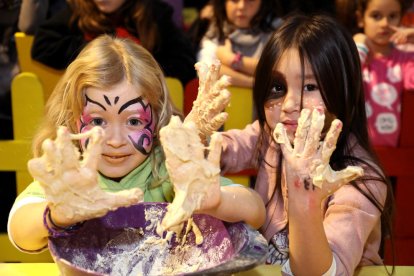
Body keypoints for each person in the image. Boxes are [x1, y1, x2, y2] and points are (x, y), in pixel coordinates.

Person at [7, 35, 266, 253]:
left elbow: (255, 211)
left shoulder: (170, 170)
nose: (116, 141)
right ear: (73, 121)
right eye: (97, 122)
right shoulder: (69, 177)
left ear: (158, 119)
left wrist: (217, 203)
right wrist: (56, 216)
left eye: (133, 121)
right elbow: (19, 229)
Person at [191, 14, 395, 275]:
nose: (288, 105)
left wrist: (304, 196)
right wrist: (196, 139)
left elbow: (322, 272)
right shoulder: (274, 136)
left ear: (344, 90)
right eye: (278, 86)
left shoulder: (359, 177)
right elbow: (227, 149)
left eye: (310, 86)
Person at [30, 0, 196, 86]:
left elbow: (184, 63)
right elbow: (42, 45)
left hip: (144, 110)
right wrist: (97, 54)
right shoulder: (78, 12)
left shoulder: (154, 15)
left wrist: (143, 69)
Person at [352, 0, 414, 147]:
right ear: (361, 19)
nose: (385, 23)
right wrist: (359, 46)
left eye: (392, 16)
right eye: (376, 16)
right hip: (356, 152)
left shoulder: (405, 59)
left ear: (401, 18)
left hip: (393, 156)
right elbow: (344, 79)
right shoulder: (356, 53)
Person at [197, 0, 283, 88]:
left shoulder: (279, 31)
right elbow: (208, 71)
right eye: (234, 0)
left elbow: (280, 71)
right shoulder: (217, 29)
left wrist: (231, 59)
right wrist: (254, 82)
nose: (241, 6)